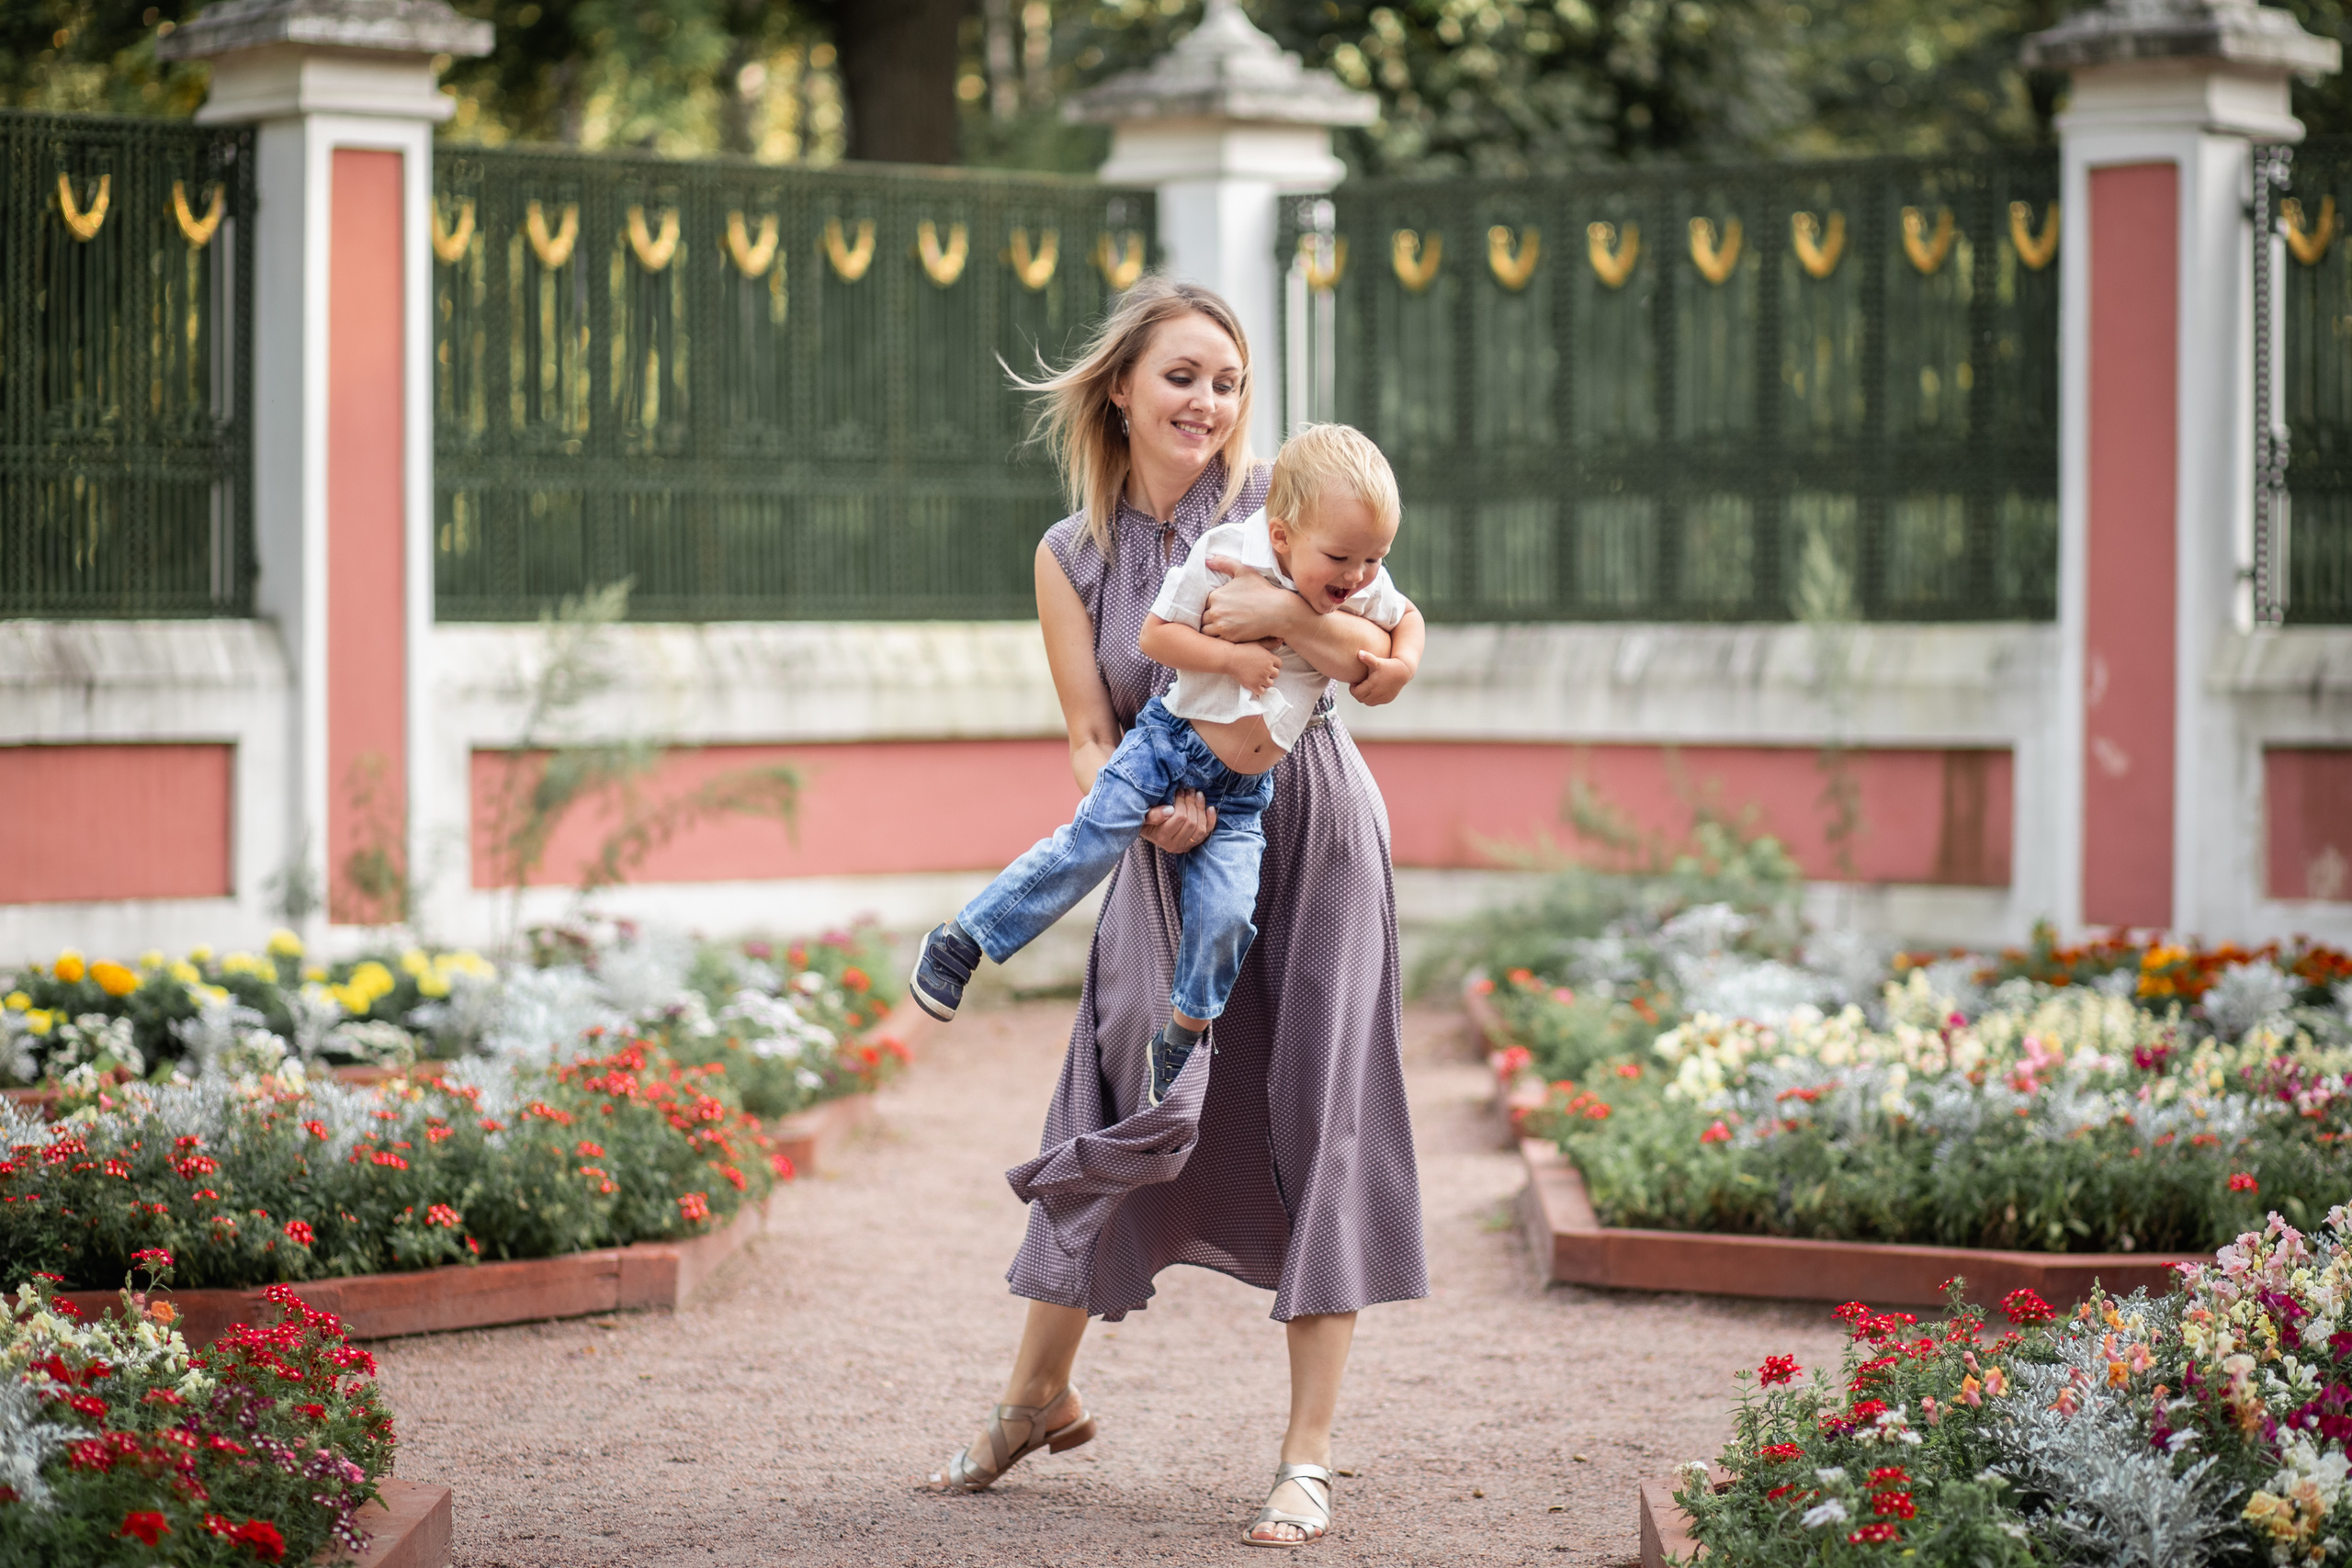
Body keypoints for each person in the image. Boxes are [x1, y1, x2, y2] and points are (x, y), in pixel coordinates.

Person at [928, 277, 1429, 1550]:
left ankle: (1307, 1453)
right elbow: (1091, 734)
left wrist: (1279, 614)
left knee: (1321, 1101)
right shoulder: (1067, 555)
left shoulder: (1287, 499)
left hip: (1311, 829)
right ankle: (1038, 1390)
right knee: (1119, 1084)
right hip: (1163, 842)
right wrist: (1149, 814)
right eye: (1182, 376)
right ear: (1120, 390)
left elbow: (1385, 658)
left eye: (1226, 379)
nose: (1207, 401)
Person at [907, 423, 1423, 1114]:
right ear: (1281, 538)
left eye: (1373, 559)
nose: (1360, 577)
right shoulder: (1225, 552)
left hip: (1244, 794)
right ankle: (961, 940)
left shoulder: (1349, 573)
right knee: (1086, 847)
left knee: (1228, 915)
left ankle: (1181, 1034)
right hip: (1166, 745)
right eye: (1345, 559)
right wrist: (1234, 658)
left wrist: (1401, 656)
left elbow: (1403, 616)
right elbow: (1157, 635)